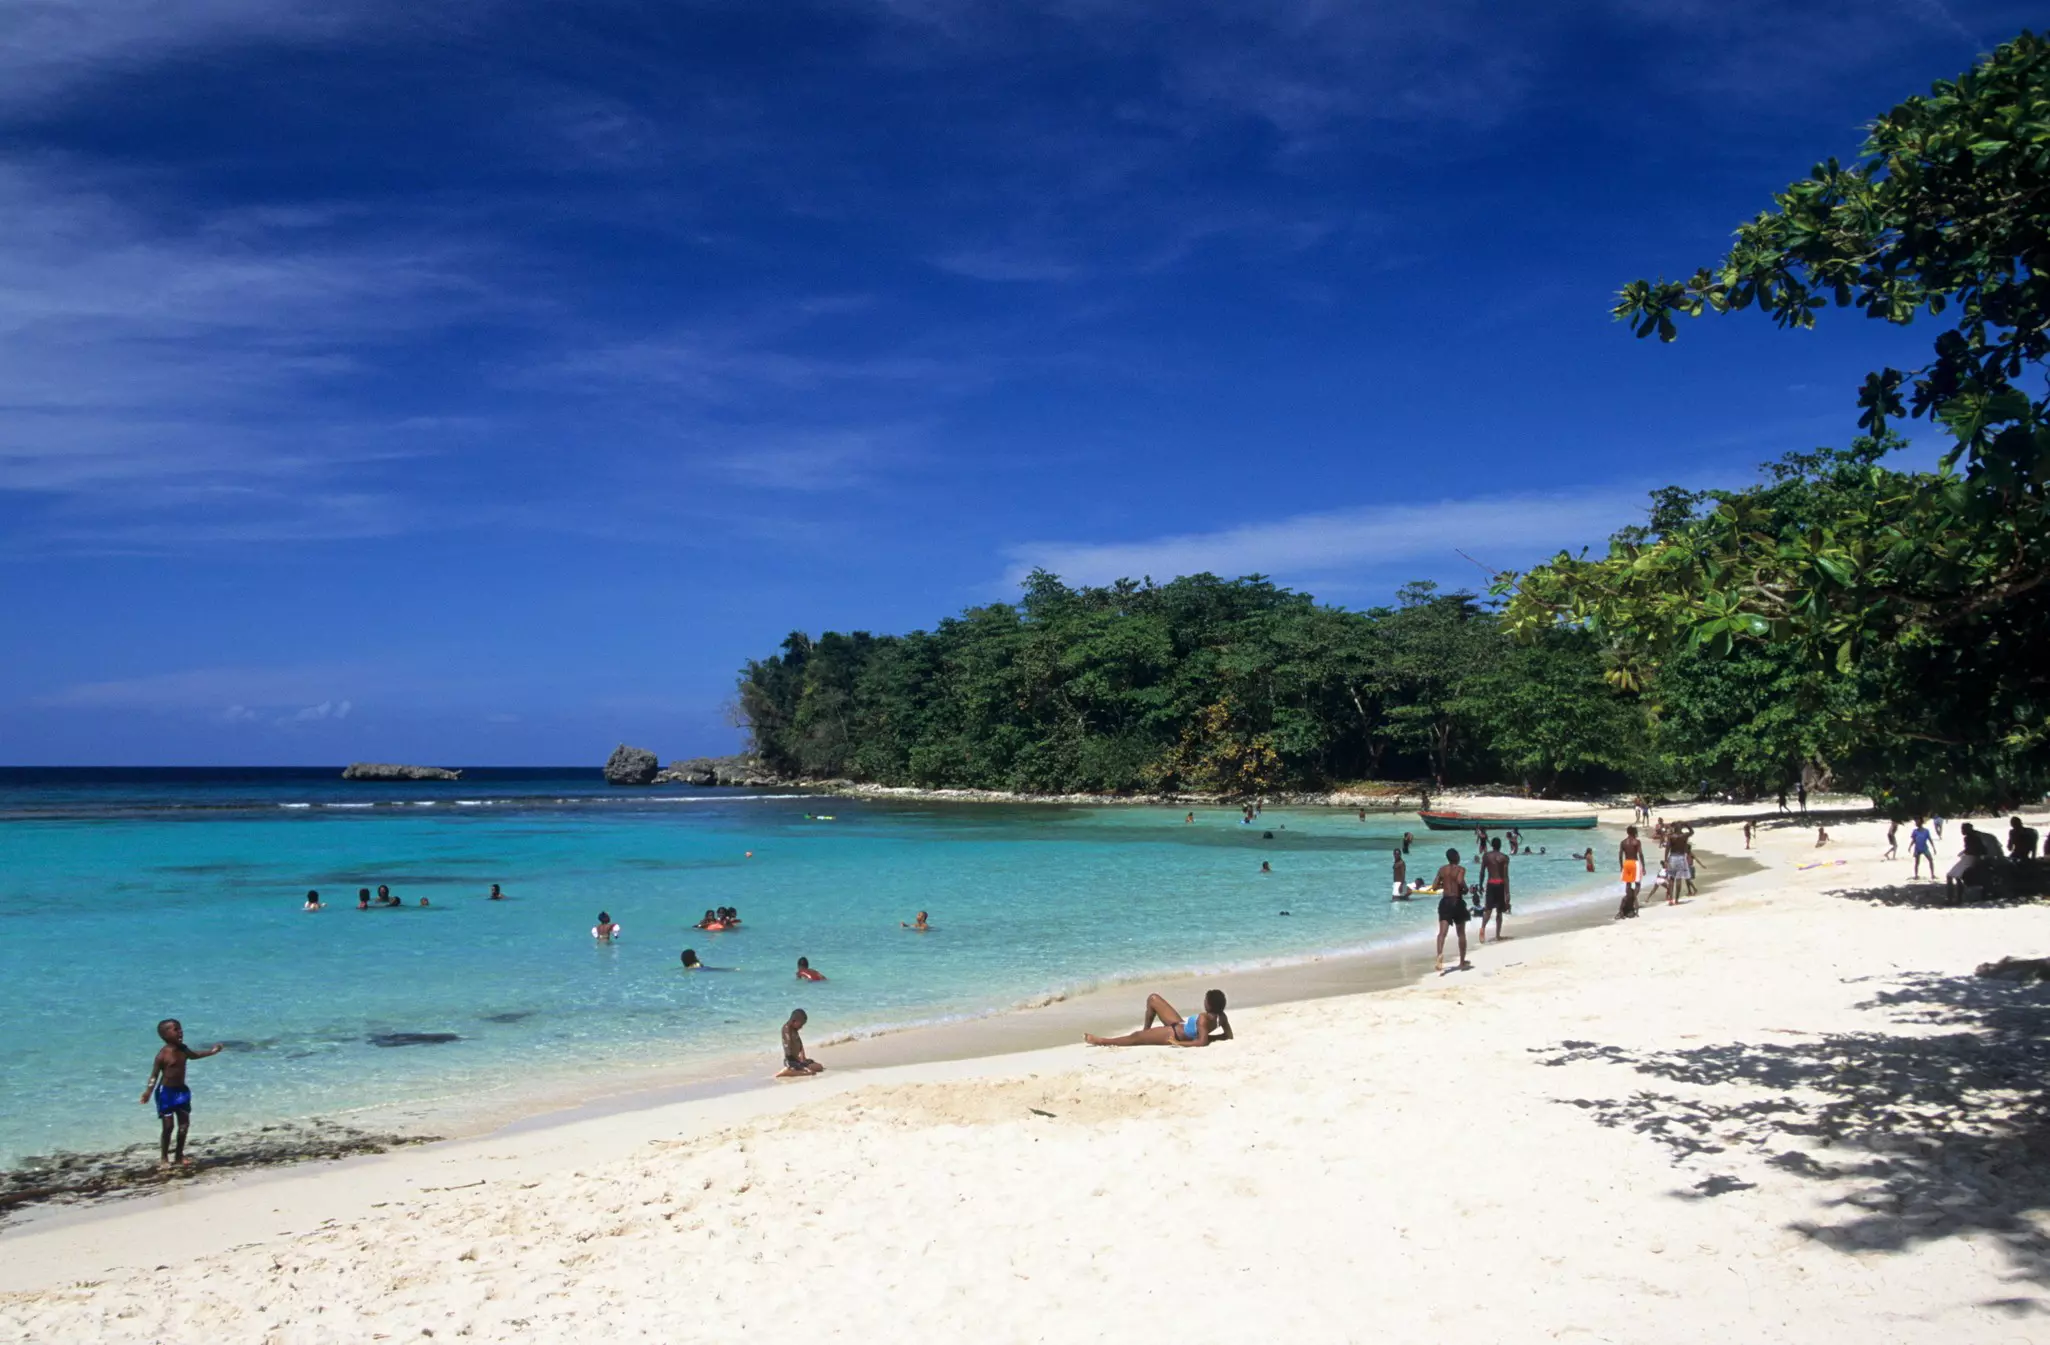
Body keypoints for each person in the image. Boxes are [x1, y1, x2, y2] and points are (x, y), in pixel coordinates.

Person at [140, 1019, 222, 1167]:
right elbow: (154, 1076)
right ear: (165, 1035)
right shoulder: (162, 1055)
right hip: (166, 1093)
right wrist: (148, 1092)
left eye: (180, 1029)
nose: (180, 1032)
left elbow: (195, 1055)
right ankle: (164, 1157)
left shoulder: (183, 1049)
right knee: (168, 1127)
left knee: (184, 1126)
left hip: (182, 1092)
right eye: (175, 1030)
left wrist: (212, 1052)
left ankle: (179, 1156)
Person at [1085, 990, 1231, 1047]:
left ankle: (1102, 1041)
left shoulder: (1203, 1019)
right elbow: (1227, 1035)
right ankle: (1146, 1032)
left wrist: (1178, 1044)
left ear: (1209, 1005)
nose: (1204, 1001)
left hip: (1173, 1033)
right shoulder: (1222, 1017)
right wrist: (1214, 1038)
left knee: (1135, 1037)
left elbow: (1202, 1042)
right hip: (1179, 1024)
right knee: (1153, 998)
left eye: (1205, 1000)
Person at [1434, 848, 1471, 972]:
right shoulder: (1460, 869)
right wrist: (1465, 888)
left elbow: (1434, 886)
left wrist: (1443, 884)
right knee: (1461, 933)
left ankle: (1439, 955)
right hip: (1456, 901)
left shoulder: (1442, 869)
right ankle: (1462, 961)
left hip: (1445, 902)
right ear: (1456, 857)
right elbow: (1460, 881)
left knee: (1442, 933)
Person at [1477, 837, 1510, 943]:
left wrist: (1480, 885)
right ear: (1500, 845)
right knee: (1499, 912)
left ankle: (1482, 928)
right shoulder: (1504, 857)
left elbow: (1482, 872)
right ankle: (1497, 935)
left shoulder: (1486, 856)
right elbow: (1505, 876)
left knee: (1488, 910)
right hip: (1500, 884)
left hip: (1490, 884)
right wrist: (1507, 892)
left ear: (1492, 845)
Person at [777, 1010, 825, 1077]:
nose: (801, 1027)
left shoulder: (794, 1030)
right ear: (794, 1021)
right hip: (791, 1061)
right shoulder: (786, 1029)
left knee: (819, 1067)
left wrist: (803, 1057)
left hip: (798, 1060)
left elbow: (800, 1044)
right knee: (810, 1072)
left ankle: (795, 1071)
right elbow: (787, 1048)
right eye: (801, 1024)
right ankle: (787, 1071)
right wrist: (797, 1060)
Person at [1617, 825, 1645, 920]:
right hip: (1634, 863)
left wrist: (1621, 866)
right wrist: (1643, 866)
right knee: (1637, 884)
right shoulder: (1636, 842)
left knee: (1628, 885)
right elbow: (1640, 854)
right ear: (1634, 832)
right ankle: (1632, 899)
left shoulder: (1623, 842)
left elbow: (1620, 855)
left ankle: (1629, 899)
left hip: (1627, 863)